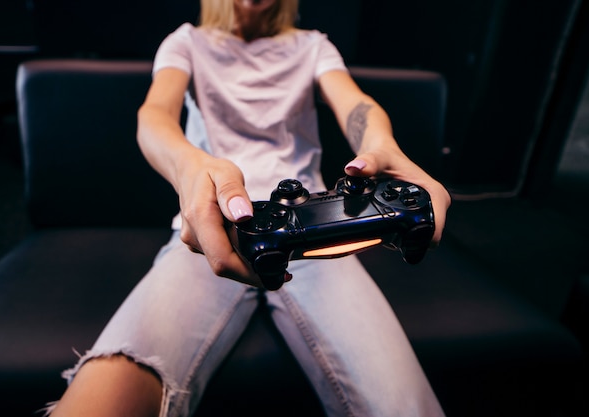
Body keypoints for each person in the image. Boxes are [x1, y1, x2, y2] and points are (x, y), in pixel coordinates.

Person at [47, 0, 451, 416]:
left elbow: (355, 104)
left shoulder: (312, 46)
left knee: (405, 407)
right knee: (103, 399)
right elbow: (154, 116)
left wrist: (379, 144)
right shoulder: (187, 41)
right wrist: (189, 167)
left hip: (310, 230)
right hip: (212, 231)